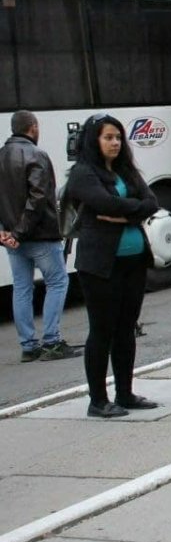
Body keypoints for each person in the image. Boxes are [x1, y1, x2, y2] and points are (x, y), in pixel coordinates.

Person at [65, 114, 160, 417]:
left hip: (134, 261)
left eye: (118, 137)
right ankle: (98, 400)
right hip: (100, 265)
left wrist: (125, 216)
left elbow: (152, 202)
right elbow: (104, 204)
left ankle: (125, 393)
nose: (115, 143)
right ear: (94, 140)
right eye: (108, 137)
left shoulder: (126, 170)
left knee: (126, 330)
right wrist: (133, 211)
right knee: (102, 330)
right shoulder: (83, 173)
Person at [0, 110, 79, 363]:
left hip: (12, 237)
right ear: (32, 128)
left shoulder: (1, 156)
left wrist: (6, 233)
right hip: (39, 235)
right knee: (57, 282)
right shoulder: (37, 155)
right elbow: (38, 198)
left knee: (21, 287)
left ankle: (28, 346)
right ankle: (52, 341)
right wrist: (20, 232)